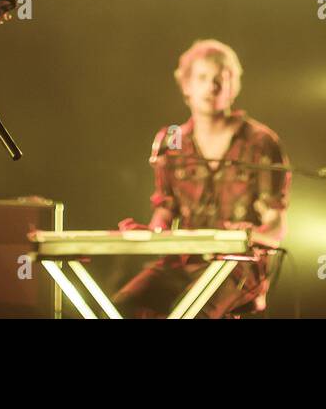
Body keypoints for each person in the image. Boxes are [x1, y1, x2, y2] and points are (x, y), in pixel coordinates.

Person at [114, 39, 289, 317]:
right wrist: (152, 234)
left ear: (234, 85)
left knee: (195, 311)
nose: (212, 86)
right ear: (186, 85)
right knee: (122, 306)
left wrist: (247, 236)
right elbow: (165, 208)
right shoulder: (171, 141)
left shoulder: (260, 142)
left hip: (238, 266)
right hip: (181, 263)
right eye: (203, 78)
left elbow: (276, 228)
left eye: (220, 78)